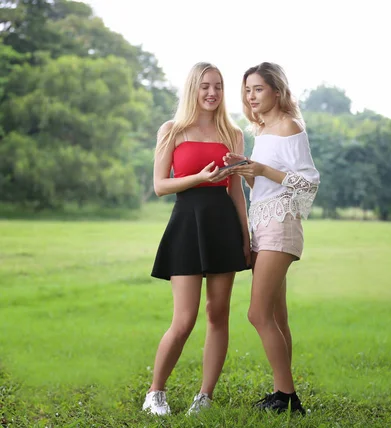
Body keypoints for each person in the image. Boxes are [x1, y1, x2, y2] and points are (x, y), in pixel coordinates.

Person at [142, 62, 251, 416]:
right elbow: (160, 186)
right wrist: (199, 178)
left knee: (218, 314)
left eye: (218, 86)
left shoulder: (233, 133)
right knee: (184, 319)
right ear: (193, 89)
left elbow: (236, 191)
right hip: (187, 223)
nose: (212, 93)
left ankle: (205, 397)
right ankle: (155, 393)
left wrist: (246, 238)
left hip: (222, 225)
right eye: (205, 86)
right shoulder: (172, 130)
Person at [225, 62, 320, 414]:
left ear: (277, 92)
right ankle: (283, 392)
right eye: (247, 90)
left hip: (281, 223)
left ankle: (288, 398)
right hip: (261, 223)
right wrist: (248, 169)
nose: (251, 96)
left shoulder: (290, 127)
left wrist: (263, 169)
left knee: (257, 312)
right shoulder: (261, 132)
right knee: (277, 317)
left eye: (258, 89)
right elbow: (263, 186)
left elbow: (309, 182)